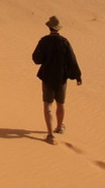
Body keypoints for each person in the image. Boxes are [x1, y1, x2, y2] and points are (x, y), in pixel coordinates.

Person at [32, 15, 82, 145]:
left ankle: (50, 135)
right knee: (60, 103)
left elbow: (36, 59)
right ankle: (59, 127)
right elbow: (72, 59)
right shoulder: (64, 42)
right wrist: (77, 76)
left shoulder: (43, 41)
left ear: (49, 27)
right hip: (61, 78)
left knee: (47, 104)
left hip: (47, 77)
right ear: (58, 29)